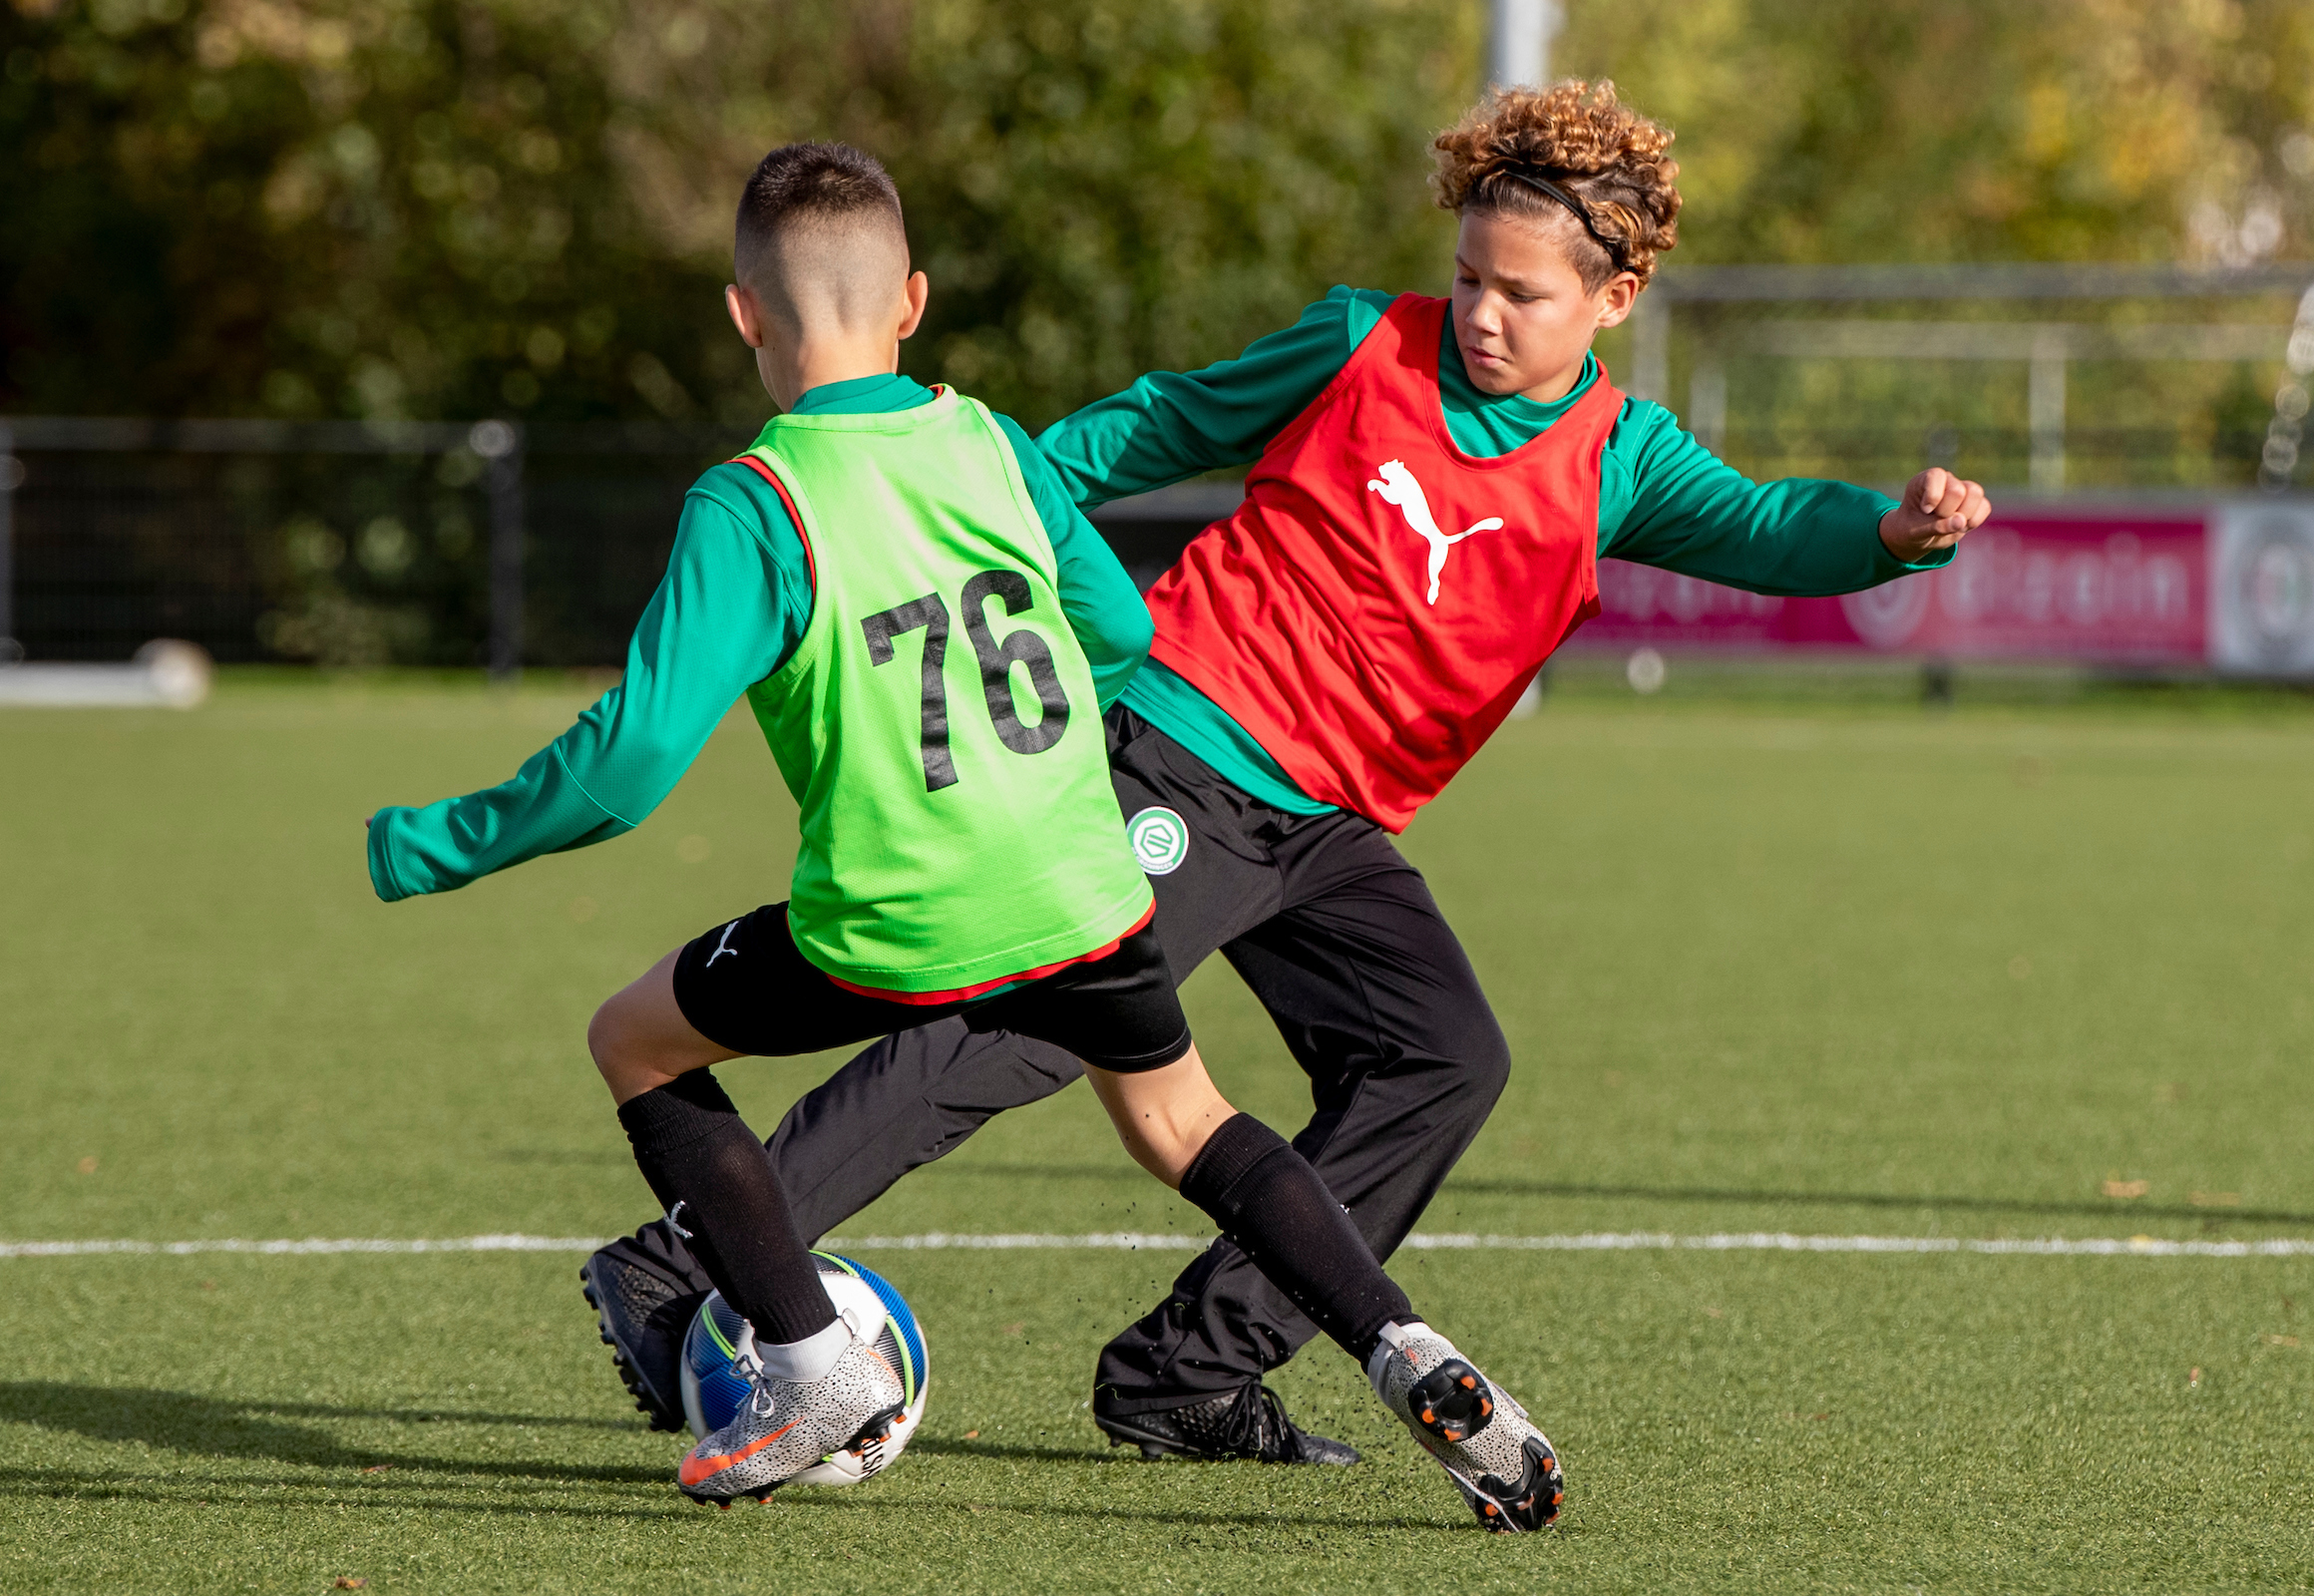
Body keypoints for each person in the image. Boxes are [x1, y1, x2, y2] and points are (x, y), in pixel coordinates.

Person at [582, 82, 1991, 1471]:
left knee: (1441, 1062)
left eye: (1524, 294)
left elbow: (1770, 527)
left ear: (1614, 302)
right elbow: (1146, 429)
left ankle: (1187, 1374)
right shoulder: (1361, 345)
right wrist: (969, 498)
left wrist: (1893, 529)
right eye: (1469, 277)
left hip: (1329, 826)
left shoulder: (1622, 462)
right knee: (1012, 1031)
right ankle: (679, 1266)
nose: (1484, 313)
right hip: (1183, 748)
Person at [371, 141, 1565, 1528]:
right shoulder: (989, 440)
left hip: (899, 919)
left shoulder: (752, 501)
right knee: (1186, 1120)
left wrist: (436, 844)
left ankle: (808, 1362)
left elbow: (627, 771)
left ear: (744, 315)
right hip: (1092, 887)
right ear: (915, 301)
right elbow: (1119, 625)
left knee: (634, 1041)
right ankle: (1396, 1342)